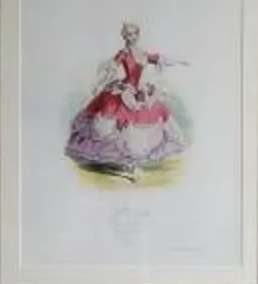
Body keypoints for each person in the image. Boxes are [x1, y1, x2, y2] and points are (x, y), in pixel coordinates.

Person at [64, 21, 188, 178]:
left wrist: (181, 62)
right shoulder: (123, 53)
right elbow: (111, 70)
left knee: (151, 111)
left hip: (138, 91)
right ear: (124, 36)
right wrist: (99, 84)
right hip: (126, 90)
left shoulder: (143, 54)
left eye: (134, 33)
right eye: (128, 34)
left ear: (138, 34)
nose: (131, 37)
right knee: (114, 121)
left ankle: (133, 163)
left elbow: (161, 59)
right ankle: (122, 163)